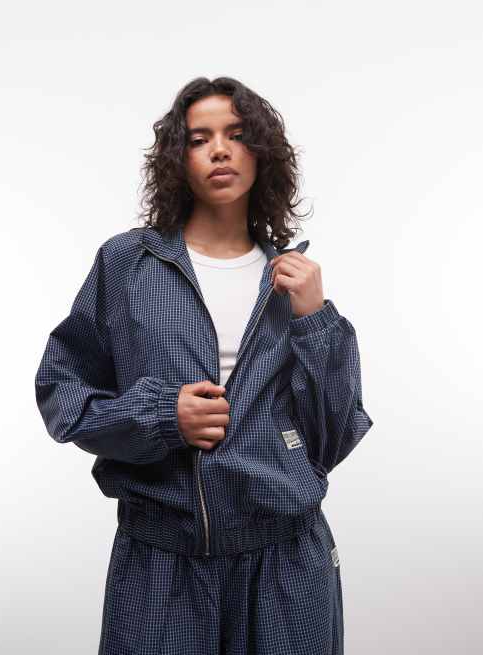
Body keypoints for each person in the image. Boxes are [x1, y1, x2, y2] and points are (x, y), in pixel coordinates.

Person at [34, 76, 374, 655]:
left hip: (286, 563)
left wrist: (316, 319)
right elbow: (62, 394)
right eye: (199, 139)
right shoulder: (128, 264)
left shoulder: (292, 282)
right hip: (160, 565)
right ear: (178, 158)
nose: (220, 150)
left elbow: (334, 436)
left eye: (236, 135)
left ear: (261, 153)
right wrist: (163, 418)